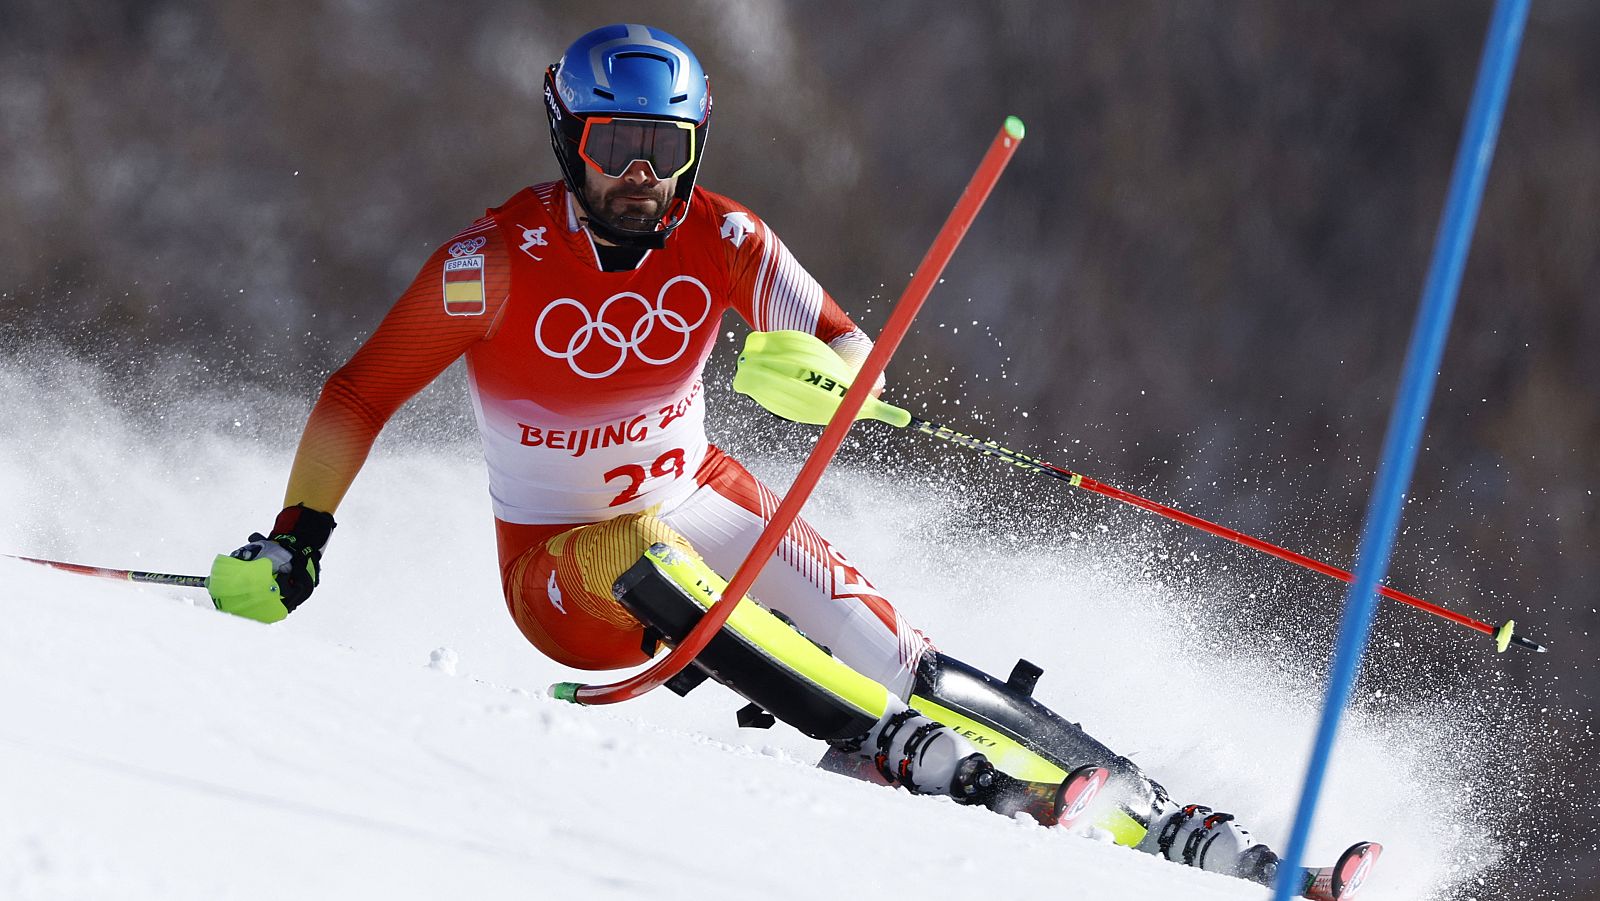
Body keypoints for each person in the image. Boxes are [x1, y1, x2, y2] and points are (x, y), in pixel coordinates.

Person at [205, 23, 1344, 895]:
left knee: (892, 644)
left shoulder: (726, 235)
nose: (642, 175)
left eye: (667, 148)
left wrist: (816, 378)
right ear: (569, 144)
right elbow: (360, 391)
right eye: (616, 148)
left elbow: (856, 356)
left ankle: (1178, 821)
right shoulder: (491, 262)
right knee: (642, 550)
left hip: (702, 495)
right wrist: (300, 539)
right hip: (560, 569)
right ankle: (892, 747)